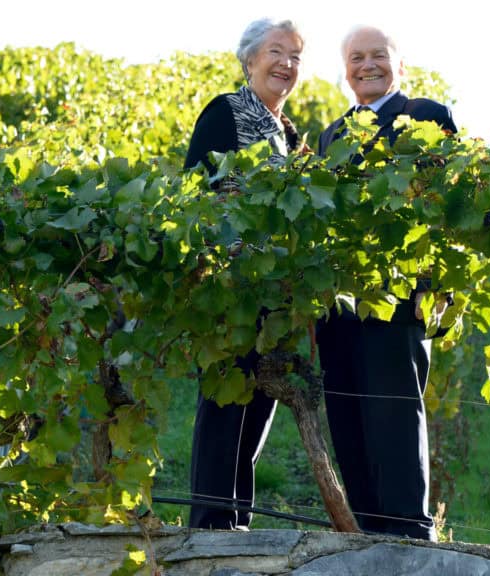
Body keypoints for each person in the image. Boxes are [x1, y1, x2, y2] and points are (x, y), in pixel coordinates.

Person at [316, 24, 458, 541]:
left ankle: (409, 533)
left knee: (395, 414)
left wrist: (435, 287)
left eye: (379, 56)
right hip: (339, 304)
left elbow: (447, 205)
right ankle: (367, 531)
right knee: (348, 416)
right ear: (345, 70)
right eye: (356, 58)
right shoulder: (331, 134)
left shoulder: (427, 116)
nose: (367, 65)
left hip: (400, 297)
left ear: (401, 65)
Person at [184, 18, 306, 530]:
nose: (287, 64)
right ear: (249, 59)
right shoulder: (226, 112)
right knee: (223, 406)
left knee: (256, 408)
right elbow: (194, 192)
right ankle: (210, 526)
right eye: (276, 52)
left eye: (296, 56)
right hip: (227, 289)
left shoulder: (290, 134)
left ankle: (238, 524)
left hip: (274, 295)